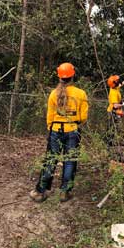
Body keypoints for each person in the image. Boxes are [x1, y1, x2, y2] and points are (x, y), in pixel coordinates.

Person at [30, 62, 88, 203]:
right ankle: (64, 192)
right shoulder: (80, 94)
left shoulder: (53, 94)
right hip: (72, 131)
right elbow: (83, 117)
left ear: (59, 77)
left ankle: (40, 192)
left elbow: (49, 117)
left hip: (55, 130)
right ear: (73, 75)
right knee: (69, 162)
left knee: (50, 161)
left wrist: (52, 128)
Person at [106, 75, 124, 146]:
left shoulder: (115, 87)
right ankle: (109, 144)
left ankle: (114, 142)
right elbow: (115, 105)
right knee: (112, 128)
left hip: (116, 111)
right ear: (114, 83)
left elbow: (120, 85)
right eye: (117, 81)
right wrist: (122, 104)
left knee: (116, 127)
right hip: (113, 112)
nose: (119, 82)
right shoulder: (113, 93)